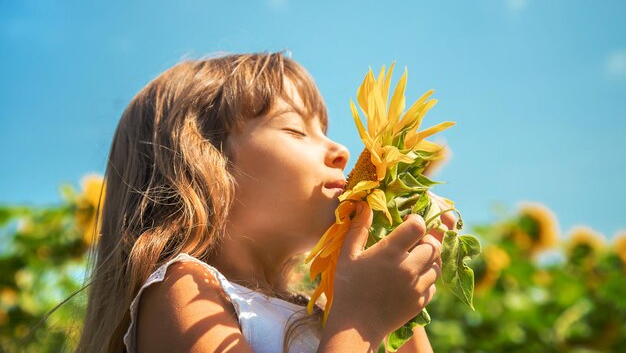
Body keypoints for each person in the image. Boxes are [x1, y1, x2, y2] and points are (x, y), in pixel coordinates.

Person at [77, 53, 453, 353]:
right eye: (295, 129)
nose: (340, 151)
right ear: (207, 164)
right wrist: (362, 319)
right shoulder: (183, 291)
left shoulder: (324, 309)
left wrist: (395, 297)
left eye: (324, 131)